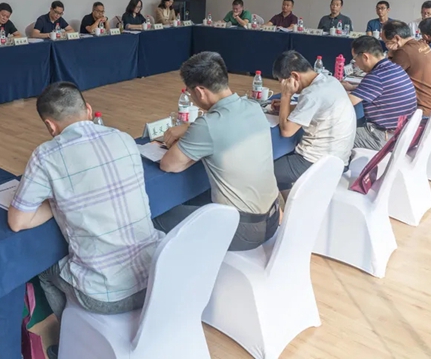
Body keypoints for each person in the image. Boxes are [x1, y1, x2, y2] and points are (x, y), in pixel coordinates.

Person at [8, 82, 161, 329]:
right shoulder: (122, 138)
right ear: (88, 110)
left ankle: (70, 338)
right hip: (156, 276)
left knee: (45, 270)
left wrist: (58, 198)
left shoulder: (46, 155)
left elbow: (18, 221)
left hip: (105, 294)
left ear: (50, 125)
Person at [155, 52, 280, 251]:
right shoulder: (253, 106)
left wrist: (191, 131)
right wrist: (190, 128)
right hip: (272, 217)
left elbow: (169, 164)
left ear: (200, 92)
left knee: (157, 216)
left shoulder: (208, 125)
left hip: (243, 230)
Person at [271, 51, 356, 191]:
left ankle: (284, 205)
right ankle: (292, 203)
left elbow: (286, 131)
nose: (283, 86)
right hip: (339, 159)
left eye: (283, 82)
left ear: (294, 76)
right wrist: (287, 107)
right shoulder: (330, 81)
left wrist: (286, 96)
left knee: (265, 172)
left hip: (315, 162)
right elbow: (315, 108)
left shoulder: (312, 94)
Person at [342, 36, 417, 150]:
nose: (356, 64)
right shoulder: (394, 68)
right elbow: (381, 89)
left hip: (385, 137)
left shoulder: (376, 76)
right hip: (404, 132)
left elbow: (345, 103)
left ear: (365, 57)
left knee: (335, 138)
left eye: (355, 60)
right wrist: (352, 87)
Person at [380, 21, 431, 116]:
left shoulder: (404, 52)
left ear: (397, 38)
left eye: (386, 42)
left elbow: (385, 79)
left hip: (420, 109)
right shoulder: (422, 44)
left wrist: (390, 53)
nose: (386, 45)